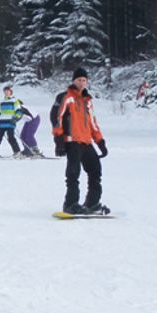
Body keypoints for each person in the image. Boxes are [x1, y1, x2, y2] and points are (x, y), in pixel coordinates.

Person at [50, 67, 109, 215]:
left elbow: (93, 123)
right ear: (73, 81)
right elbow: (56, 117)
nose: (82, 83)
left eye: (84, 80)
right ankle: (70, 203)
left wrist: (100, 141)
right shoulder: (66, 97)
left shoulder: (87, 101)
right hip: (72, 140)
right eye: (79, 80)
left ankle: (92, 203)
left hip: (86, 141)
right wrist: (59, 139)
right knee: (73, 173)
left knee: (95, 170)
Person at [0, 85, 30, 158]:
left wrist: (15, 119)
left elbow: (19, 111)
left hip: (10, 122)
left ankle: (17, 152)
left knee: (11, 137)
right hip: (2, 123)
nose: (6, 93)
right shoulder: (2, 101)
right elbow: (0, 112)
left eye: (8, 91)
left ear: (11, 92)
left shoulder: (15, 101)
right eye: (5, 91)